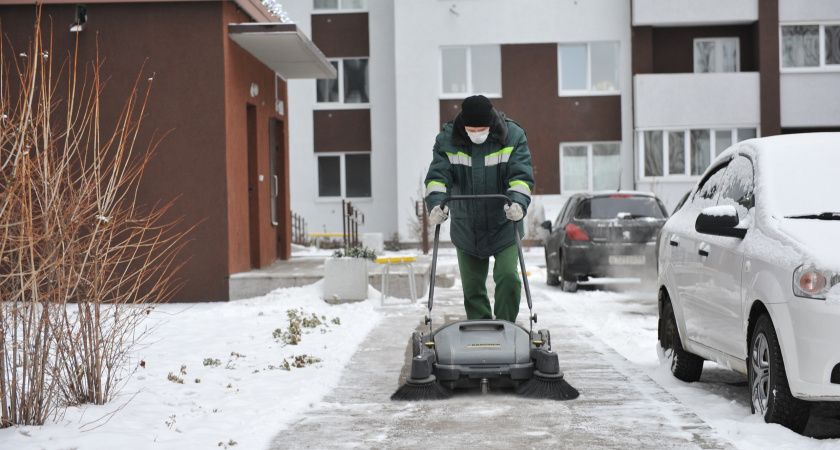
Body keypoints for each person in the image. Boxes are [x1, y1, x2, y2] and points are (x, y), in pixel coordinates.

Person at [423, 95, 534, 323]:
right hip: (467, 226)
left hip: (505, 224)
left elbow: (521, 176)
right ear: (463, 125)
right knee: (472, 287)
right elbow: (437, 178)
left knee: (508, 277)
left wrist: (518, 203)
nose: (476, 133)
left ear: (491, 123)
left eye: (481, 129)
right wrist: (436, 205)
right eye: (471, 129)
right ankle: (479, 329)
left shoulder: (512, 137)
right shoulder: (447, 141)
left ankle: (505, 326)